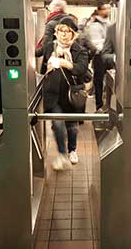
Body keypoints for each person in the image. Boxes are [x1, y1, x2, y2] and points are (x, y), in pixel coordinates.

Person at [43, 17, 88, 169]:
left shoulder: (79, 50)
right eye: (60, 30)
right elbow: (42, 65)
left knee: (72, 125)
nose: (63, 34)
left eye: (67, 31)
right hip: (53, 93)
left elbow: (81, 69)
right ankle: (62, 153)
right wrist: (49, 65)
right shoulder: (50, 47)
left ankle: (72, 150)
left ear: (73, 34)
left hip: (72, 93)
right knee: (57, 123)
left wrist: (65, 63)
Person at [89, 2, 111, 111]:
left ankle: (109, 104)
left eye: (109, 8)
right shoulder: (95, 25)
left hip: (109, 55)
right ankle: (99, 105)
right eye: (106, 9)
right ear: (100, 11)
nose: (108, 11)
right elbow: (96, 43)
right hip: (99, 56)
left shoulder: (109, 23)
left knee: (111, 79)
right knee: (99, 81)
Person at [36, 0, 68, 72]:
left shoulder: (51, 24)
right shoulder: (70, 21)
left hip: (53, 60)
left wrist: (34, 53)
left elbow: (46, 45)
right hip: (67, 59)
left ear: (56, 8)